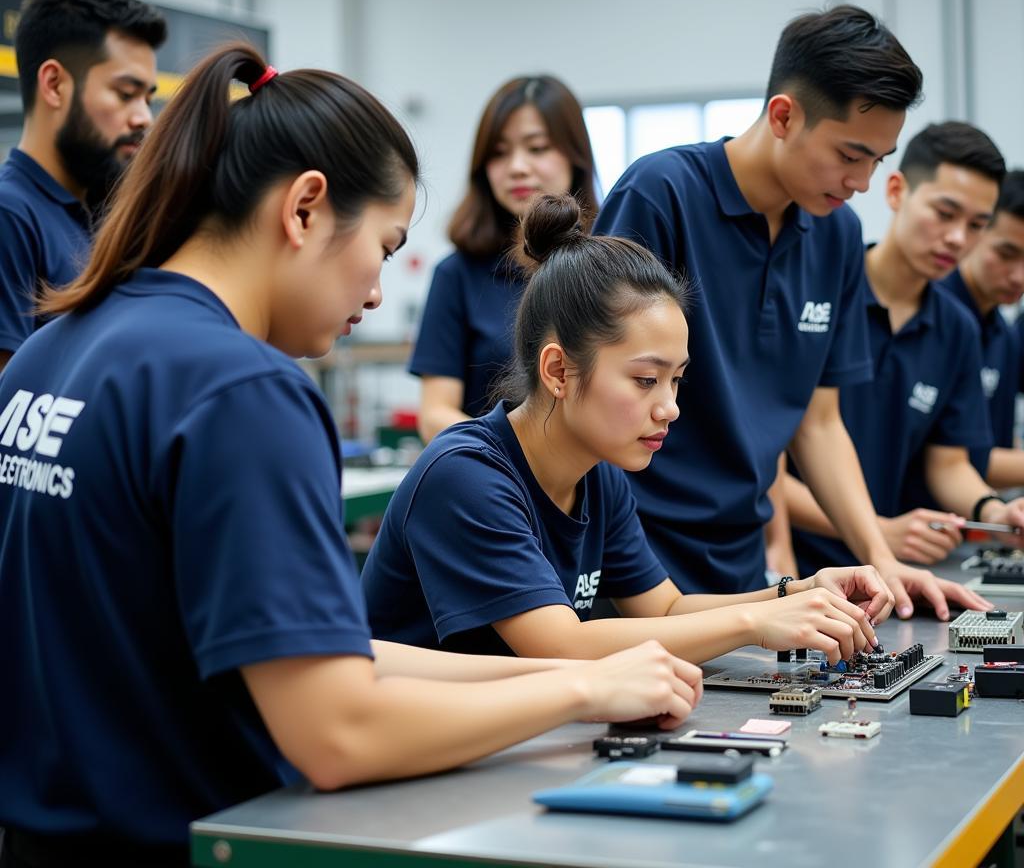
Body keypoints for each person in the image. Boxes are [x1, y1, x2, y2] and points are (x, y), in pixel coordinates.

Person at [0, 46, 701, 867]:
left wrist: (576, 681)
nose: (375, 292)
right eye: (382, 244)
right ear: (304, 208)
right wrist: (582, 688)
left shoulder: (50, 351)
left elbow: (324, 655)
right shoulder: (242, 390)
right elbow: (337, 733)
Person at [363, 195, 894, 666]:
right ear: (557, 372)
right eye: (645, 380)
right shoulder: (467, 476)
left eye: (676, 380)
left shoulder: (599, 474)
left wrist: (797, 593)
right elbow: (562, 645)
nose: (670, 408)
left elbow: (665, 607)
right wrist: (754, 625)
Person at [591, 4, 984, 620]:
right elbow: (595, 393)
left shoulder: (837, 238)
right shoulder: (660, 195)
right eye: (850, 154)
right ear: (783, 115)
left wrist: (880, 557)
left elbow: (819, 424)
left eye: (877, 160)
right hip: (633, 554)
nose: (860, 181)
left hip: (740, 561)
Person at [784, 122, 1023, 574]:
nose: (957, 238)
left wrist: (993, 512)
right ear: (896, 191)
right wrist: (877, 530)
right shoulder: (818, 296)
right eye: (945, 213)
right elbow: (774, 465)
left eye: (976, 225)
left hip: (886, 575)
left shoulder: (956, 328)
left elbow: (948, 462)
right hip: (794, 570)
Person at [410, 75, 599, 443]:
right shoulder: (456, 275)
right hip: (495, 480)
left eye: (538, 147)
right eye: (498, 153)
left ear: (575, 155)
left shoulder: (609, 268)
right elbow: (435, 413)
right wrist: (514, 458)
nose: (516, 167)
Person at [0, 0, 166, 374]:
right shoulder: (10, 215)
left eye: (147, 98)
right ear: (55, 85)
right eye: (126, 94)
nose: (144, 117)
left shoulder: (96, 215)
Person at [939, 169, 1024, 490]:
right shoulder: (937, 320)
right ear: (975, 231)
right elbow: (962, 460)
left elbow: (994, 449)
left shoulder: (1005, 335)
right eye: (1006, 254)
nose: (1018, 276)